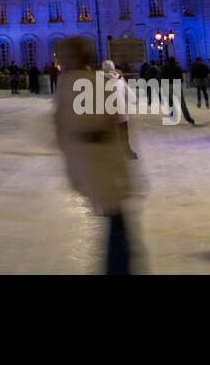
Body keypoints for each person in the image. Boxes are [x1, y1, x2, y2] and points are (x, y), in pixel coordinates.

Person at [55, 36, 136, 274]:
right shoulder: (86, 83)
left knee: (118, 226)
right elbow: (110, 125)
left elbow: (63, 130)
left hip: (95, 164)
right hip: (100, 164)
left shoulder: (73, 84)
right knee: (118, 227)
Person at [101, 60, 138, 159]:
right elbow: (131, 96)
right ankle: (127, 153)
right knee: (123, 135)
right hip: (121, 113)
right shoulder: (120, 80)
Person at [161, 56, 195, 124]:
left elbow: (162, 76)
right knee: (182, 102)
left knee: (170, 100)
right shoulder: (177, 67)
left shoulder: (165, 68)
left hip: (168, 84)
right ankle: (188, 118)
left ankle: (172, 113)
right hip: (176, 84)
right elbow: (180, 76)